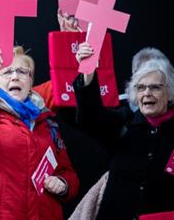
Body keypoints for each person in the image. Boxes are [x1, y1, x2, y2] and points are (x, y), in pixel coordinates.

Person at [0, 44, 79, 220]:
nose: (15, 77)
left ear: (31, 81)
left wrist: (63, 184)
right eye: (7, 72)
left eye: (22, 72)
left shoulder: (46, 123)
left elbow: (68, 173)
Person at [73, 43, 174, 219]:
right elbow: (91, 117)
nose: (147, 93)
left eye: (155, 87)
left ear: (170, 93)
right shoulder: (124, 122)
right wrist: (88, 72)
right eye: (141, 88)